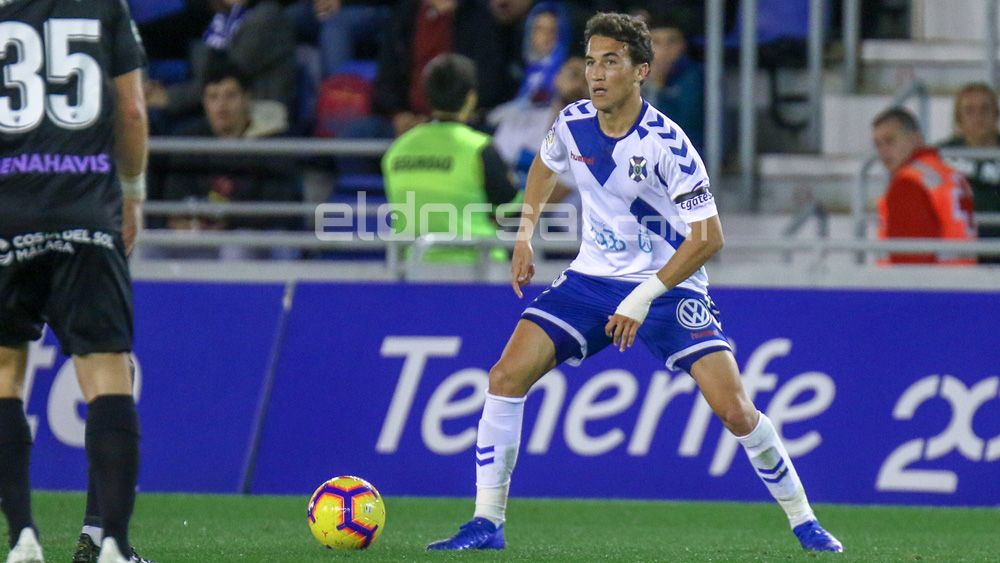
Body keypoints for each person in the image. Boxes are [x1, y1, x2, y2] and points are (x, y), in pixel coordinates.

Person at [426, 12, 843, 554]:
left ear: (640, 71)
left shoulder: (668, 145)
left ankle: (805, 521)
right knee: (505, 377)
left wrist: (643, 298)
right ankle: (486, 523)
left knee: (735, 409)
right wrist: (524, 235)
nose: (597, 74)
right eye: (592, 62)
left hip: (667, 288)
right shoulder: (573, 121)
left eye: (611, 62)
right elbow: (544, 167)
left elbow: (709, 238)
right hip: (591, 279)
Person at [0, 1, 149, 562]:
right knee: (108, 371)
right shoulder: (103, 6)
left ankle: (22, 539)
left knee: (4, 374)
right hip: (86, 210)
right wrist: (132, 192)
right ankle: (110, 542)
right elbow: (130, 111)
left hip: (7, 213)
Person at [381, 54, 519, 263]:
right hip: (478, 273)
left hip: (414, 271)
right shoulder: (479, 148)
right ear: (470, 98)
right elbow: (512, 210)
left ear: (427, 96)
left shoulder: (397, 150)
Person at [161, 56, 300, 238]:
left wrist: (228, 224)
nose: (221, 105)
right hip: (197, 236)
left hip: (253, 239)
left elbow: (277, 207)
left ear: (247, 98)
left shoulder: (272, 142)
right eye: (213, 97)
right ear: (204, 102)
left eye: (230, 95)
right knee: (148, 248)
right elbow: (174, 197)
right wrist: (180, 222)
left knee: (237, 246)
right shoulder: (189, 141)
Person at [872, 107, 977, 265]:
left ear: (916, 139)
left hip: (931, 284)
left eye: (890, 140)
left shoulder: (909, 182)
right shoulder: (949, 173)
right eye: (877, 144)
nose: (883, 151)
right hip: (963, 280)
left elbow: (909, 260)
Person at [939, 82, 1000, 263]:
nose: (978, 116)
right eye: (969, 110)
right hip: (959, 250)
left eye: (985, 109)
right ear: (959, 118)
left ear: (996, 114)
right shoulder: (942, 155)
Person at [641, 12, 705, 154]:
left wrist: (658, 87)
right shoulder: (633, 74)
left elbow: (685, 129)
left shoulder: (693, 77)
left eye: (672, 42)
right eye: (656, 42)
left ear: (683, 45)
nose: (664, 51)